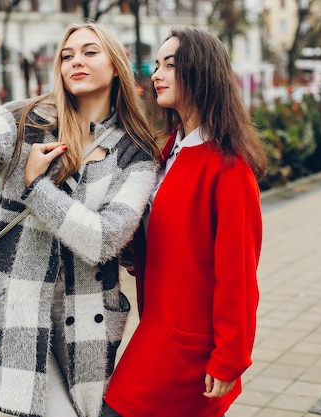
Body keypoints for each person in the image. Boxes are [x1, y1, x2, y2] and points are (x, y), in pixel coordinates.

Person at [0, 22, 159, 417]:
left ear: (117, 64)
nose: (75, 60)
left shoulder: (135, 154)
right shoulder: (24, 118)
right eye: (67, 55)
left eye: (90, 52)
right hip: (18, 310)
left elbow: (105, 239)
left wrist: (36, 188)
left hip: (88, 316)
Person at [104, 26, 266, 417]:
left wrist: (230, 357)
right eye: (156, 65)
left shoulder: (228, 169)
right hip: (158, 325)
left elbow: (239, 274)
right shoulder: (169, 151)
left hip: (189, 345)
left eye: (169, 65)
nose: (156, 74)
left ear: (201, 72)